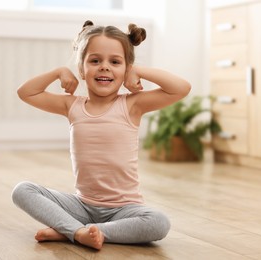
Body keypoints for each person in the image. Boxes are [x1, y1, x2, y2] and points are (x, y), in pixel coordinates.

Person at [12, 20, 191, 250]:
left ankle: (74, 230)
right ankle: (77, 229)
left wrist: (138, 71)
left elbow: (181, 87)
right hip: (82, 204)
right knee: (22, 190)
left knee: (159, 223)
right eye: (95, 61)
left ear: (126, 69)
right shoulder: (72, 106)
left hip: (125, 209)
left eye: (115, 62)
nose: (104, 67)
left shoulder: (132, 105)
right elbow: (26, 92)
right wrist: (58, 72)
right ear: (82, 69)